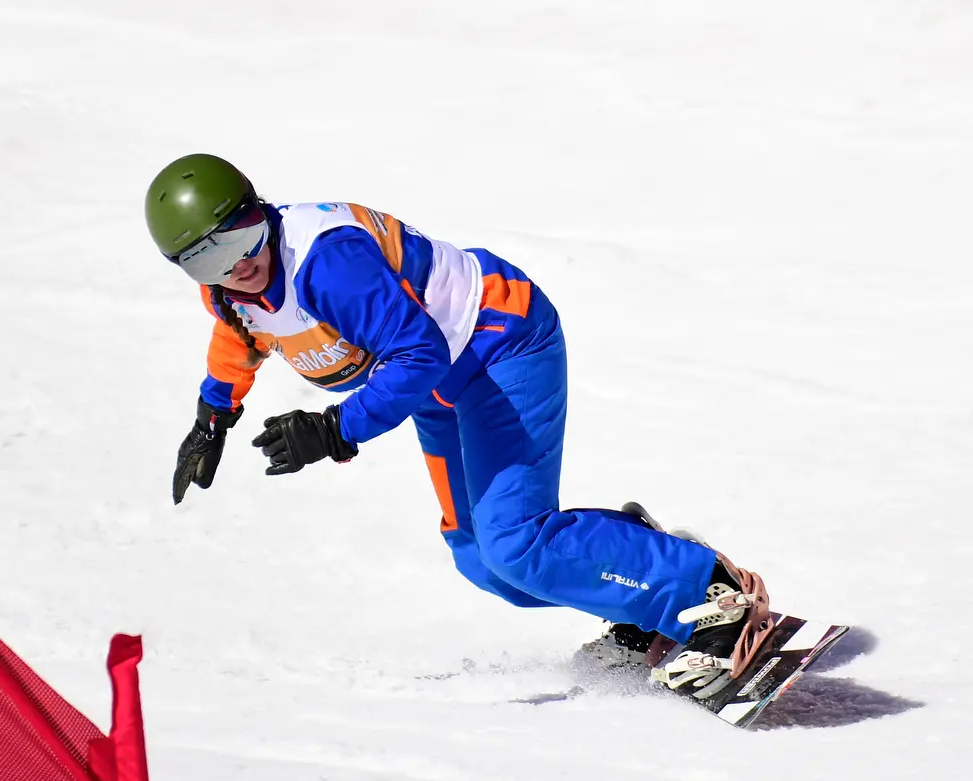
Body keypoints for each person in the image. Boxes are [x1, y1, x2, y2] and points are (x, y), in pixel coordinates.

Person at [146, 153, 772, 700]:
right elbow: (239, 338)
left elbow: (417, 352)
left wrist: (337, 429)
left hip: (500, 343)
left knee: (516, 544)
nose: (239, 263)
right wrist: (212, 417)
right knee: (483, 561)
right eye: (208, 257)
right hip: (437, 385)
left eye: (244, 234)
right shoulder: (229, 291)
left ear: (262, 209)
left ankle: (713, 595)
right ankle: (641, 567)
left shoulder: (327, 263)